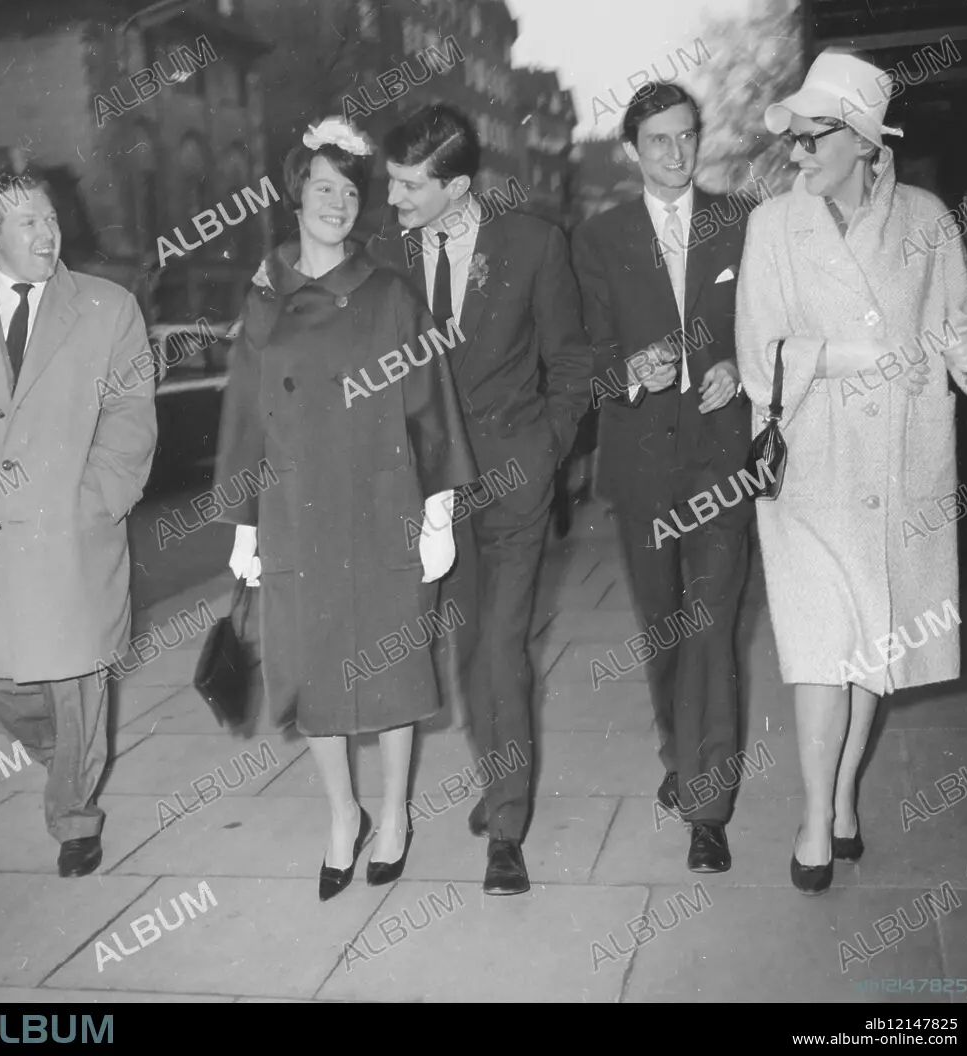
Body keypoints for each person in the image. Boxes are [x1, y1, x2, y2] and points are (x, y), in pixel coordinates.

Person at [736, 50, 967, 894]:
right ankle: (813, 817)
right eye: (793, 140)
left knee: (873, 642)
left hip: (902, 460)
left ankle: (842, 796)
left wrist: (964, 359)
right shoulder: (774, 227)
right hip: (812, 465)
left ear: (865, 141)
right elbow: (758, 357)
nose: (796, 154)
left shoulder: (927, 218)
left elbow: (960, 326)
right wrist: (858, 356)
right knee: (818, 646)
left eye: (812, 138)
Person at [217, 118, 476, 902]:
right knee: (312, 671)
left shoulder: (391, 294)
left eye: (350, 192)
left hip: (382, 504)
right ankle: (343, 815)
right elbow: (244, 412)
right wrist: (243, 525)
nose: (337, 203)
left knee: (393, 667)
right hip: (296, 513)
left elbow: (430, 403)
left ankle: (394, 813)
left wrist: (438, 510)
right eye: (323, 187)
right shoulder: (264, 297)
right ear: (296, 195)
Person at [370, 104, 592, 895]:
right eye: (391, 181)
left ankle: (506, 828)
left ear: (457, 187)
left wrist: (545, 452)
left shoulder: (532, 244)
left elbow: (571, 364)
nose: (391, 197)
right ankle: (499, 771)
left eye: (408, 185)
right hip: (428, 492)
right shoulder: (385, 255)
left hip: (511, 481)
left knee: (501, 647)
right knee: (464, 650)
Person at [0, 168, 157, 877]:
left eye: (50, 219)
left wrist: (95, 499)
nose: (47, 235)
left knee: (75, 684)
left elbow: (130, 417)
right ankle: (64, 761)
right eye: (26, 224)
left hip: (69, 533)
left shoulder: (108, 308)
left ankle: (74, 814)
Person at [572, 83, 752, 873]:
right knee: (665, 629)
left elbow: (773, 323)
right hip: (642, 463)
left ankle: (708, 807)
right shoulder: (599, 238)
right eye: (659, 141)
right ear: (632, 150)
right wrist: (627, 371)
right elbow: (581, 355)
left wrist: (740, 367)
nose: (677, 153)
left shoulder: (741, 222)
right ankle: (680, 755)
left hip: (720, 459)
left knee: (710, 626)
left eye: (686, 136)